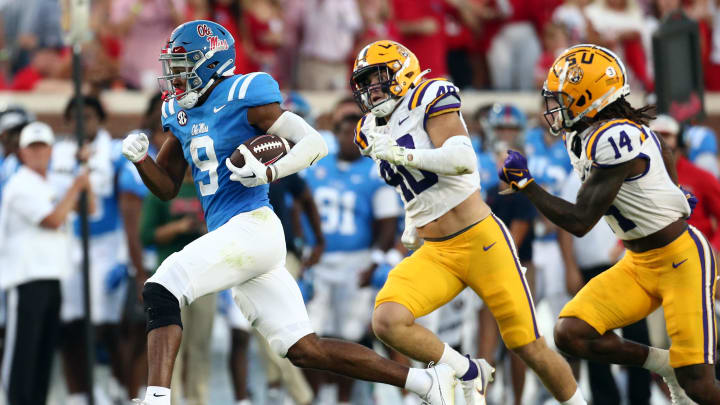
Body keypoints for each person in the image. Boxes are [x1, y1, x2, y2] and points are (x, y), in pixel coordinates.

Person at [121, 20, 456, 405]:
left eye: (182, 66)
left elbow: (314, 143)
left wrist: (269, 171)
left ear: (210, 63)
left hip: (252, 227)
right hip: (237, 238)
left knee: (162, 287)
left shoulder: (245, 93)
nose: (174, 77)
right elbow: (166, 187)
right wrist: (141, 160)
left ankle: (157, 398)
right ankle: (429, 384)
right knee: (304, 349)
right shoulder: (179, 113)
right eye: (173, 67)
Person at [350, 39, 585, 405]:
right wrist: (413, 224)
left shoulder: (428, 94)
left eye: (378, 78)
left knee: (528, 345)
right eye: (365, 83)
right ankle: (468, 370)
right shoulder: (369, 127)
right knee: (387, 320)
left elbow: (461, 159)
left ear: (403, 72)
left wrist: (402, 153)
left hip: (480, 241)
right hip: (436, 251)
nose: (371, 90)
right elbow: (410, 187)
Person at [498, 43, 718, 404]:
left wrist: (527, 185)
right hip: (638, 262)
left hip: (680, 260)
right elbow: (662, 148)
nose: (553, 107)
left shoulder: (615, 137)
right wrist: (672, 193)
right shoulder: (590, 134)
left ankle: (679, 371)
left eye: (562, 97)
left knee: (700, 385)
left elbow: (581, 220)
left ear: (588, 98)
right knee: (571, 333)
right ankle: (663, 364)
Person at [303, 112, 402, 404]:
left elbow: (387, 222)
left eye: (355, 135)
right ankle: (323, 392)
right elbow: (299, 207)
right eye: (344, 133)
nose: (350, 140)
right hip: (319, 261)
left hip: (355, 260)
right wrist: (302, 246)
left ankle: (344, 398)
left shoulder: (375, 173)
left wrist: (374, 259)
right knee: (311, 332)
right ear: (335, 135)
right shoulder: (317, 167)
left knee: (349, 333)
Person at [59, 95, 149, 405]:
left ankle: (121, 386)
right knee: (70, 323)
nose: (83, 122)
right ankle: (79, 393)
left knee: (107, 325)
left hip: (106, 246)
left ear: (101, 119)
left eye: (89, 115)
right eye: (77, 116)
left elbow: (130, 204)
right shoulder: (58, 153)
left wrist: (126, 257)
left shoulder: (114, 152)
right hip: (69, 245)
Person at [0, 122, 91, 405]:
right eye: (33, 148)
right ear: (22, 153)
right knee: (23, 355)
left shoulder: (50, 184)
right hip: (26, 279)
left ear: (51, 151)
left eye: (43, 148)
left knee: (43, 354)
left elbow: (91, 209)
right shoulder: (20, 184)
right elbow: (51, 220)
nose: (39, 153)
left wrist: (85, 177)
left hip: (53, 277)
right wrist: (77, 185)